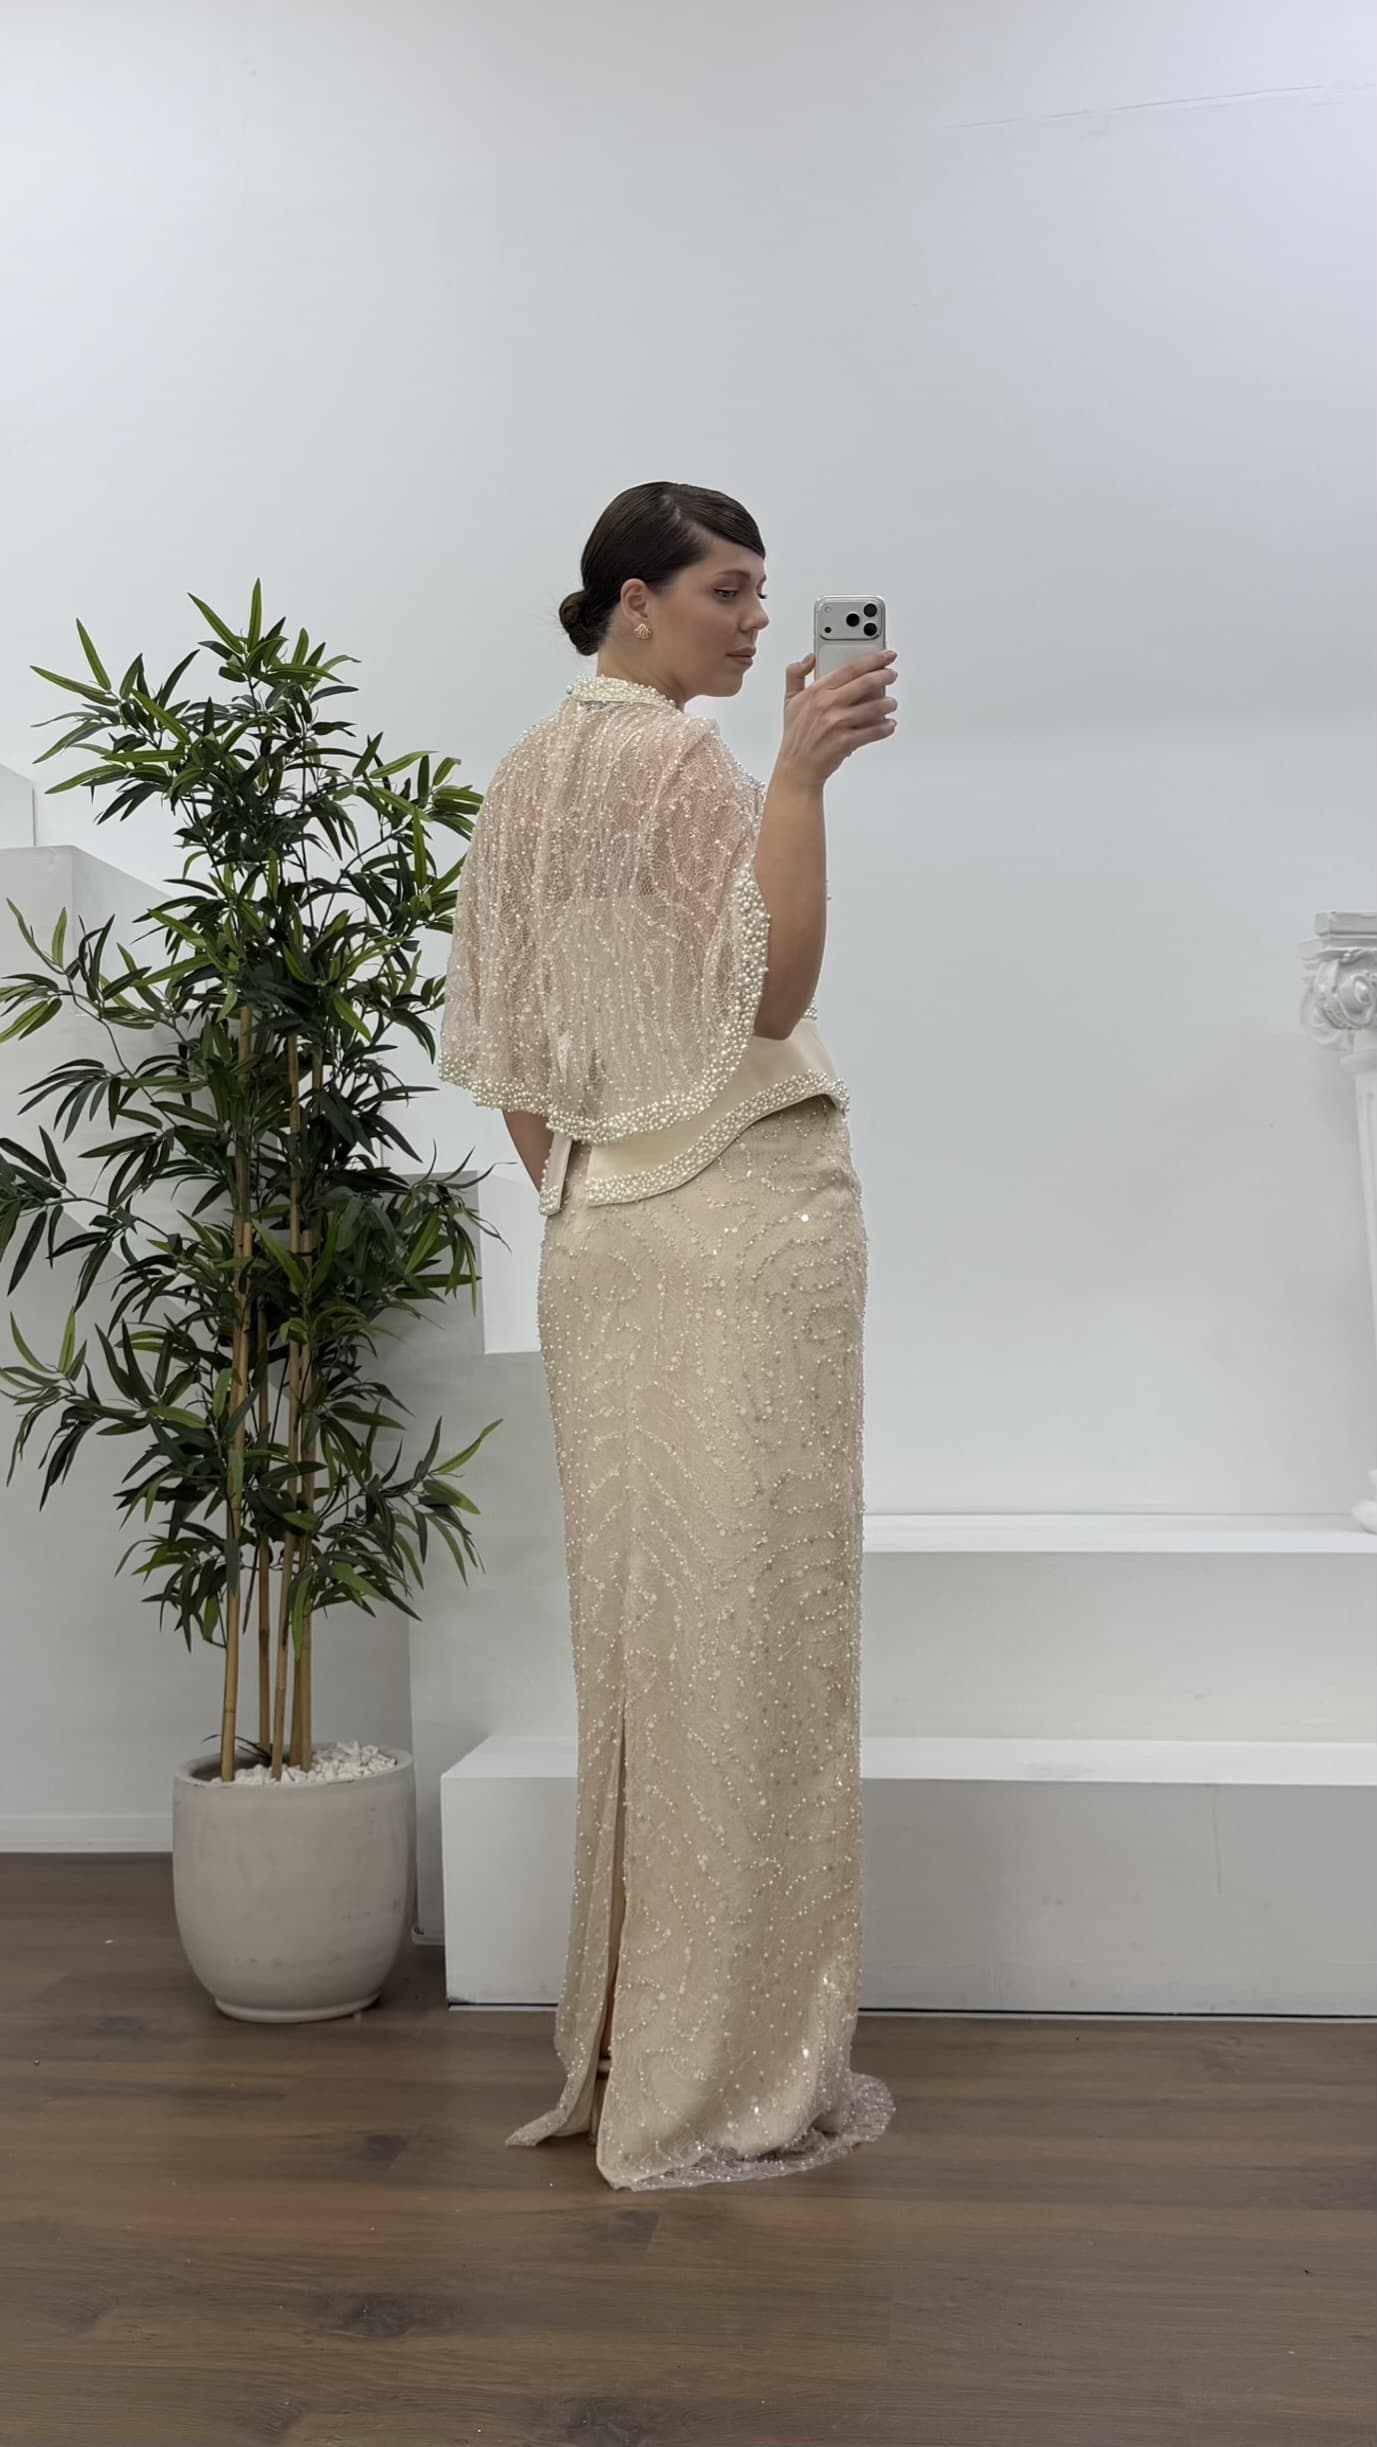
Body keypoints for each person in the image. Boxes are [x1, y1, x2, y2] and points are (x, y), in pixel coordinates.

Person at [439, 480, 899, 2190]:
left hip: (602, 1238)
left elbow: (508, 1057)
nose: (757, 623)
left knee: (650, 1648)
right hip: (747, 1221)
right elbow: (771, 997)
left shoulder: (523, 774)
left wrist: (594, 1198)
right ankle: (727, 2073)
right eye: (727, 590)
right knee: (757, 1643)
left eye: (766, 595)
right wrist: (801, 777)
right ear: (633, 600)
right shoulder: (691, 764)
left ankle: (647, 2043)